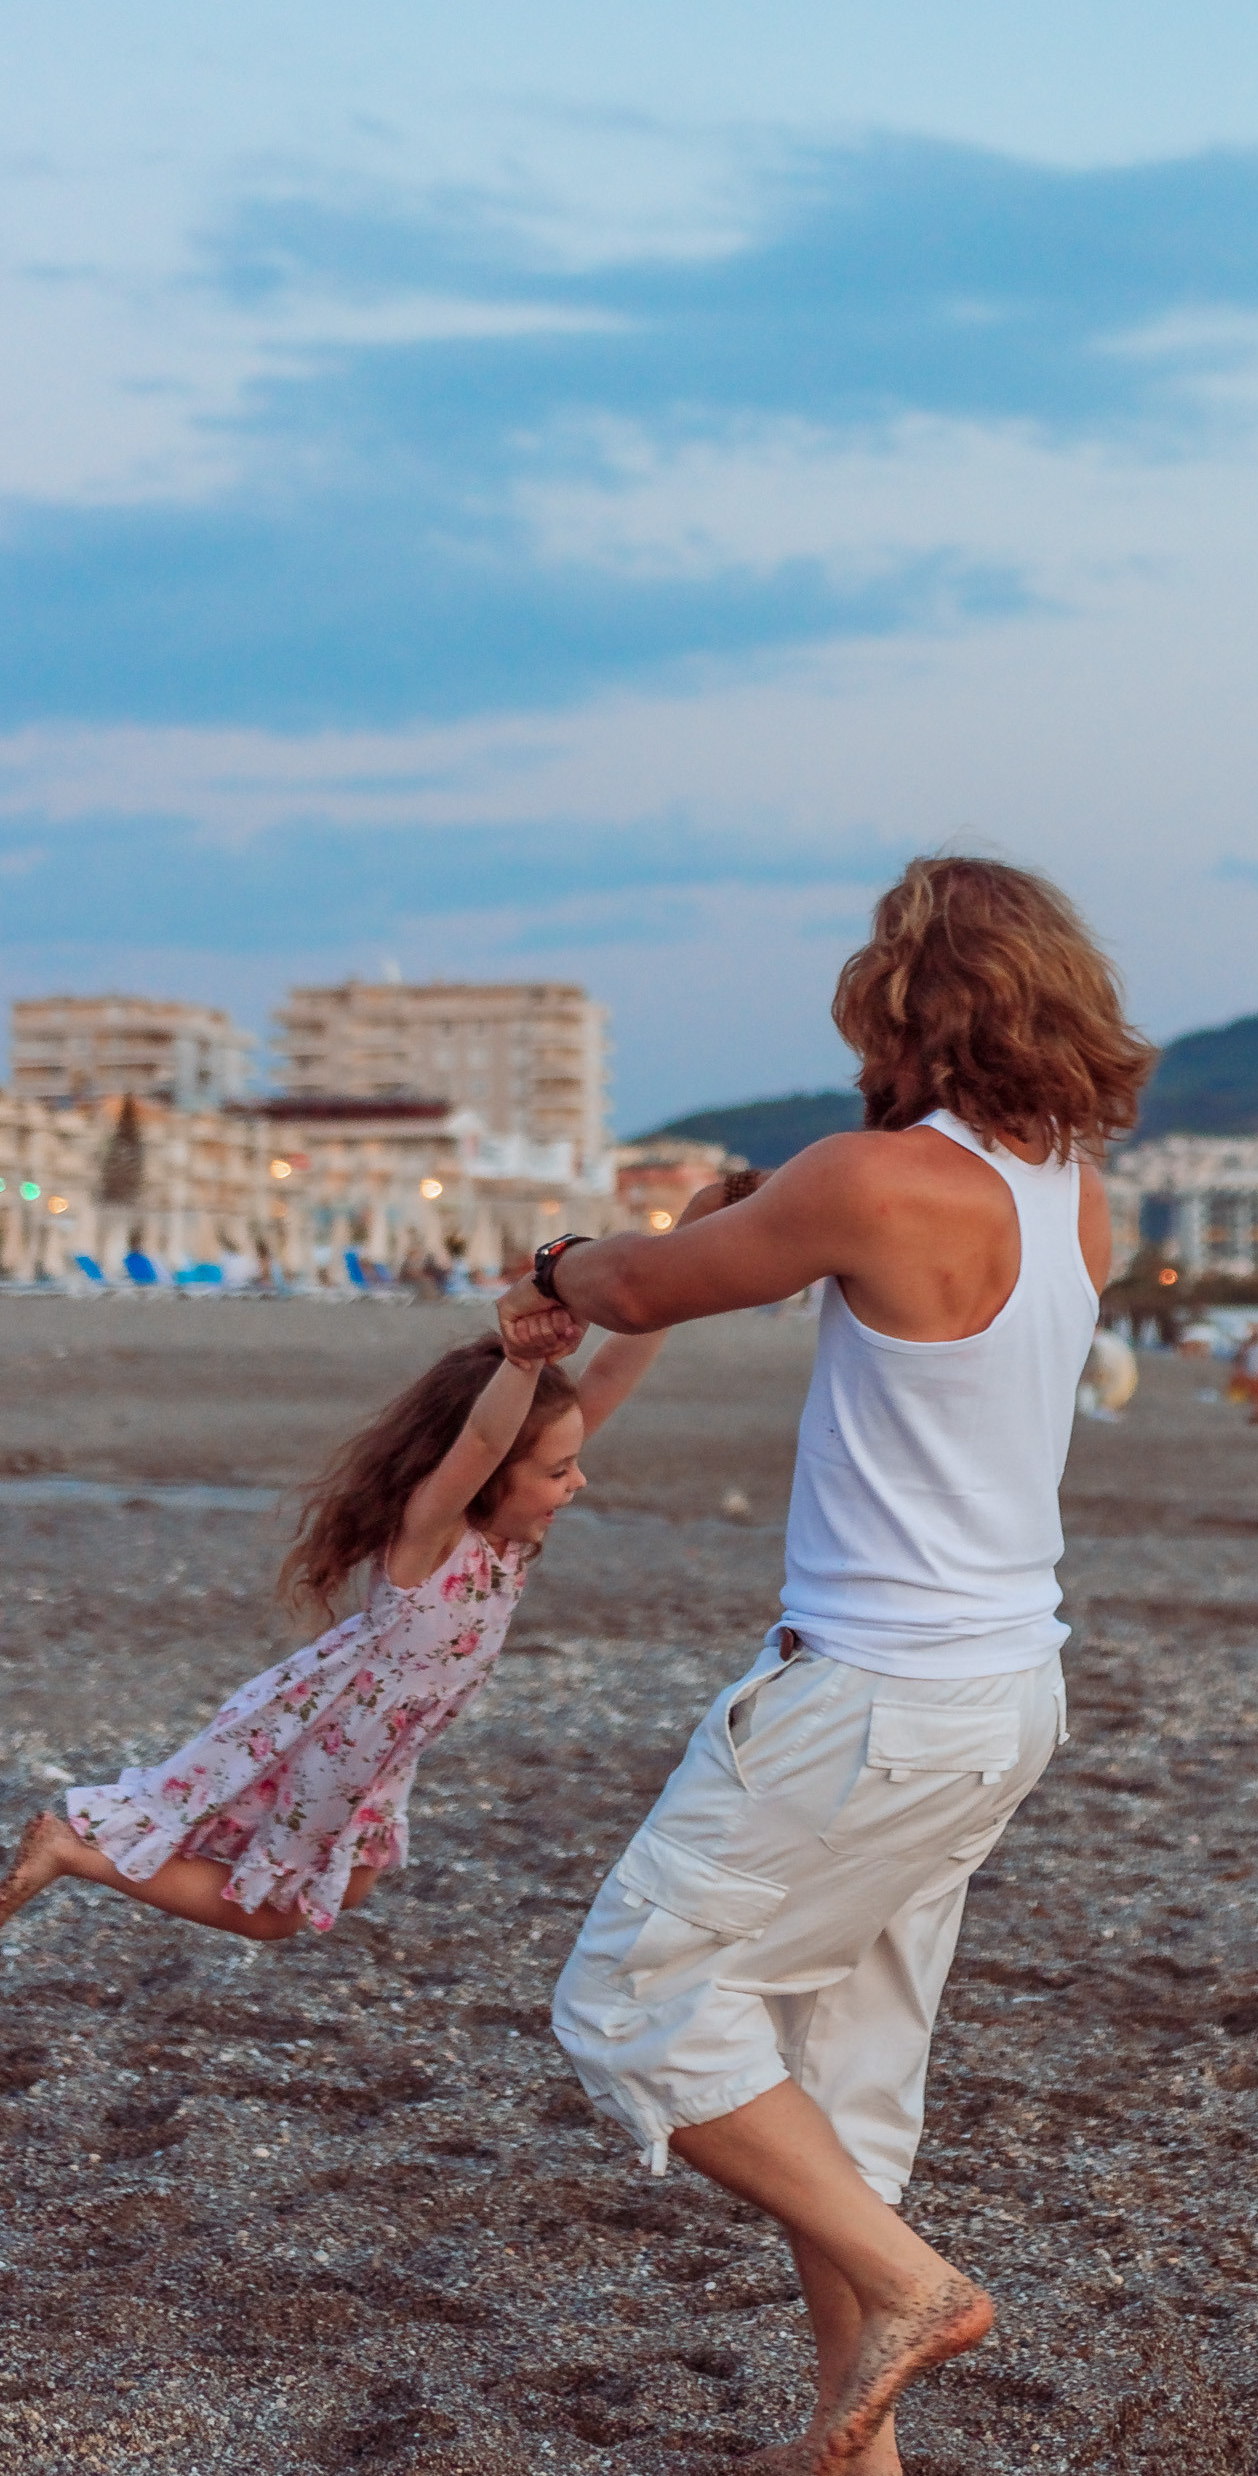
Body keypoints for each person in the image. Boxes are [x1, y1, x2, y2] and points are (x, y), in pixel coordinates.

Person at [498, 856, 1154, 2476]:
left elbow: (647, 1286)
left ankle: (913, 2284)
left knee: (629, 1993)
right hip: (1002, 1694)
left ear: (911, 1004)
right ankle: (854, 2446)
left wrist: (554, 1264)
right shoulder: (1078, 1198)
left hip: (866, 1694)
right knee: (846, 2067)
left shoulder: (875, 1177)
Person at [0, 1325, 667, 1941]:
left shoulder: (507, 1536)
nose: (577, 1481)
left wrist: (672, 1284)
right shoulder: (432, 1537)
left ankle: (77, 1849)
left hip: (387, 1748)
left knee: (349, 1884)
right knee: (269, 1916)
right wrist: (521, 1364)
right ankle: (69, 1850)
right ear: (487, 1478)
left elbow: (604, 1379)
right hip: (342, 1734)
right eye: (557, 1471)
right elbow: (486, 1441)